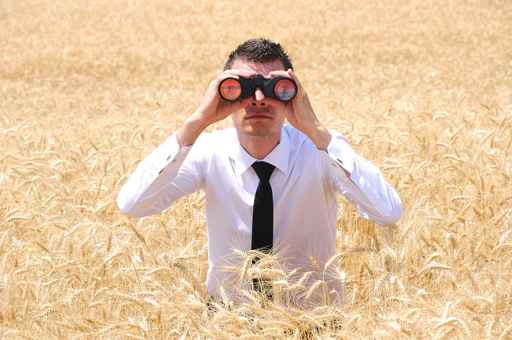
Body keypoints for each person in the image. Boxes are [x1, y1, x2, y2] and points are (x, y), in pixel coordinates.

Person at [116, 38, 403, 308]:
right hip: (228, 323)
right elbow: (133, 204)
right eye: (239, 87)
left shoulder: (321, 150)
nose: (257, 98)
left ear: (293, 91)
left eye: (274, 87)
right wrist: (197, 121)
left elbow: (387, 211)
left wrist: (315, 129)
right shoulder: (209, 151)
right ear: (222, 92)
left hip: (314, 323)